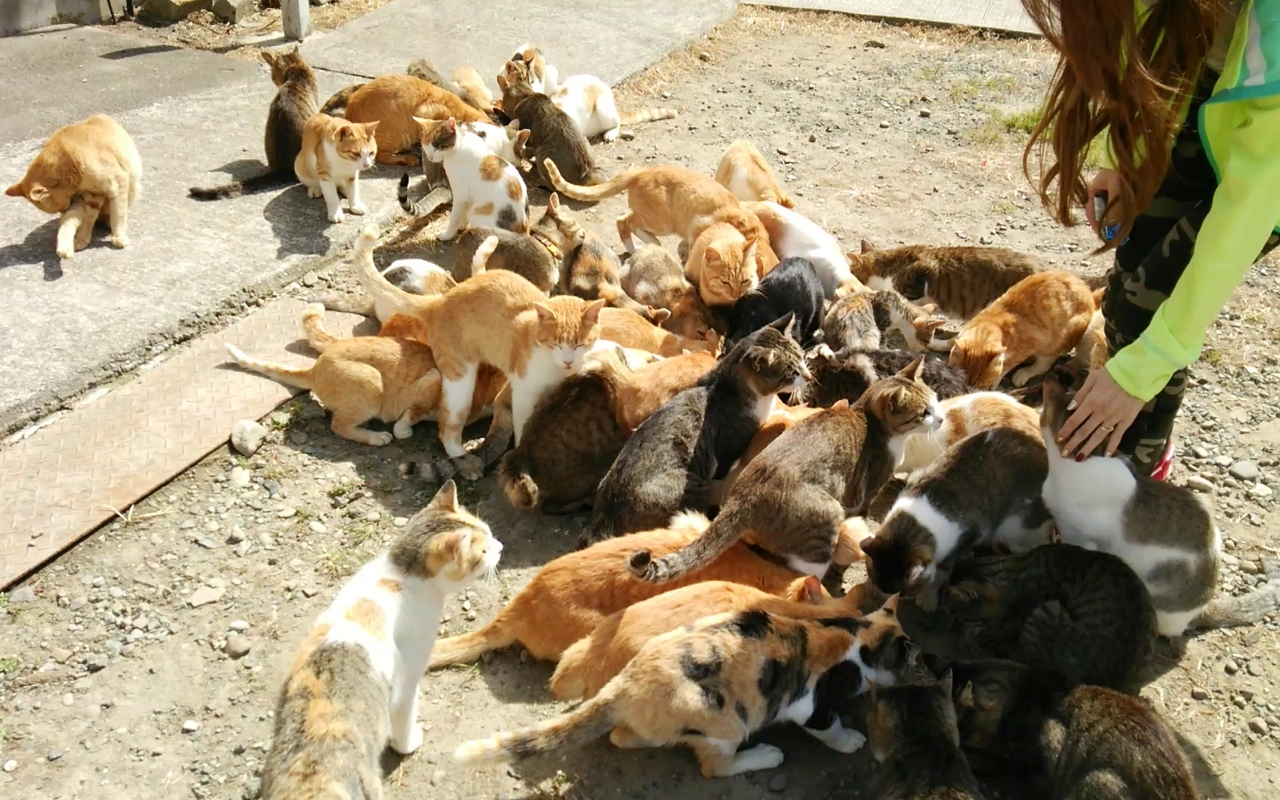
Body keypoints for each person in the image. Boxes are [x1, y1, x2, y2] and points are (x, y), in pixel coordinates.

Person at [1019, 0, 1280, 478]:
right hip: (1221, 92)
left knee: (1151, 305)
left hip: (1269, 143)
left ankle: (1131, 483)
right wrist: (1131, 161)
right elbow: (1174, 42)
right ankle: (1132, 430)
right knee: (1129, 279)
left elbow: (1243, 217)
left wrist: (1146, 366)